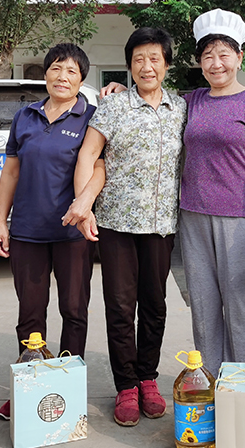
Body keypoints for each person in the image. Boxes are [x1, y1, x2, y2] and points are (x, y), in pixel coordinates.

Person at [64, 27, 187, 427]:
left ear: (166, 64)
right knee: (120, 307)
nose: (146, 67)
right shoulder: (113, 106)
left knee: (155, 305)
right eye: (138, 60)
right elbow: (89, 156)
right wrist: (85, 206)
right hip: (116, 223)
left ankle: (148, 378)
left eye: (154, 59)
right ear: (129, 66)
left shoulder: (181, 108)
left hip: (161, 225)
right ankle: (126, 386)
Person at [0, 43, 102, 422]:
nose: (62, 77)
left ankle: (67, 386)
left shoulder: (91, 118)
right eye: (56, 68)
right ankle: (30, 384)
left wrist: (84, 205)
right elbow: (11, 171)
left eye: (71, 71)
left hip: (73, 234)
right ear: (45, 73)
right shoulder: (25, 117)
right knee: (30, 313)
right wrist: (1, 221)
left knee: (74, 310)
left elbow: (100, 167)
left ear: (82, 80)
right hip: (28, 231)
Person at [179, 8, 245, 376]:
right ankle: (209, 383)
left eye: (224, 54)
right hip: (193, 216)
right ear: (200, 62)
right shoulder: (191, 101)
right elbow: (155, 106)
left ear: (239, 58)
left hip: (240, 219)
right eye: (208, 55)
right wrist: (119, 91)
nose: (216, 63)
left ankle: (240, 387)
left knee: (238, 307)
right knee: (202, 307)